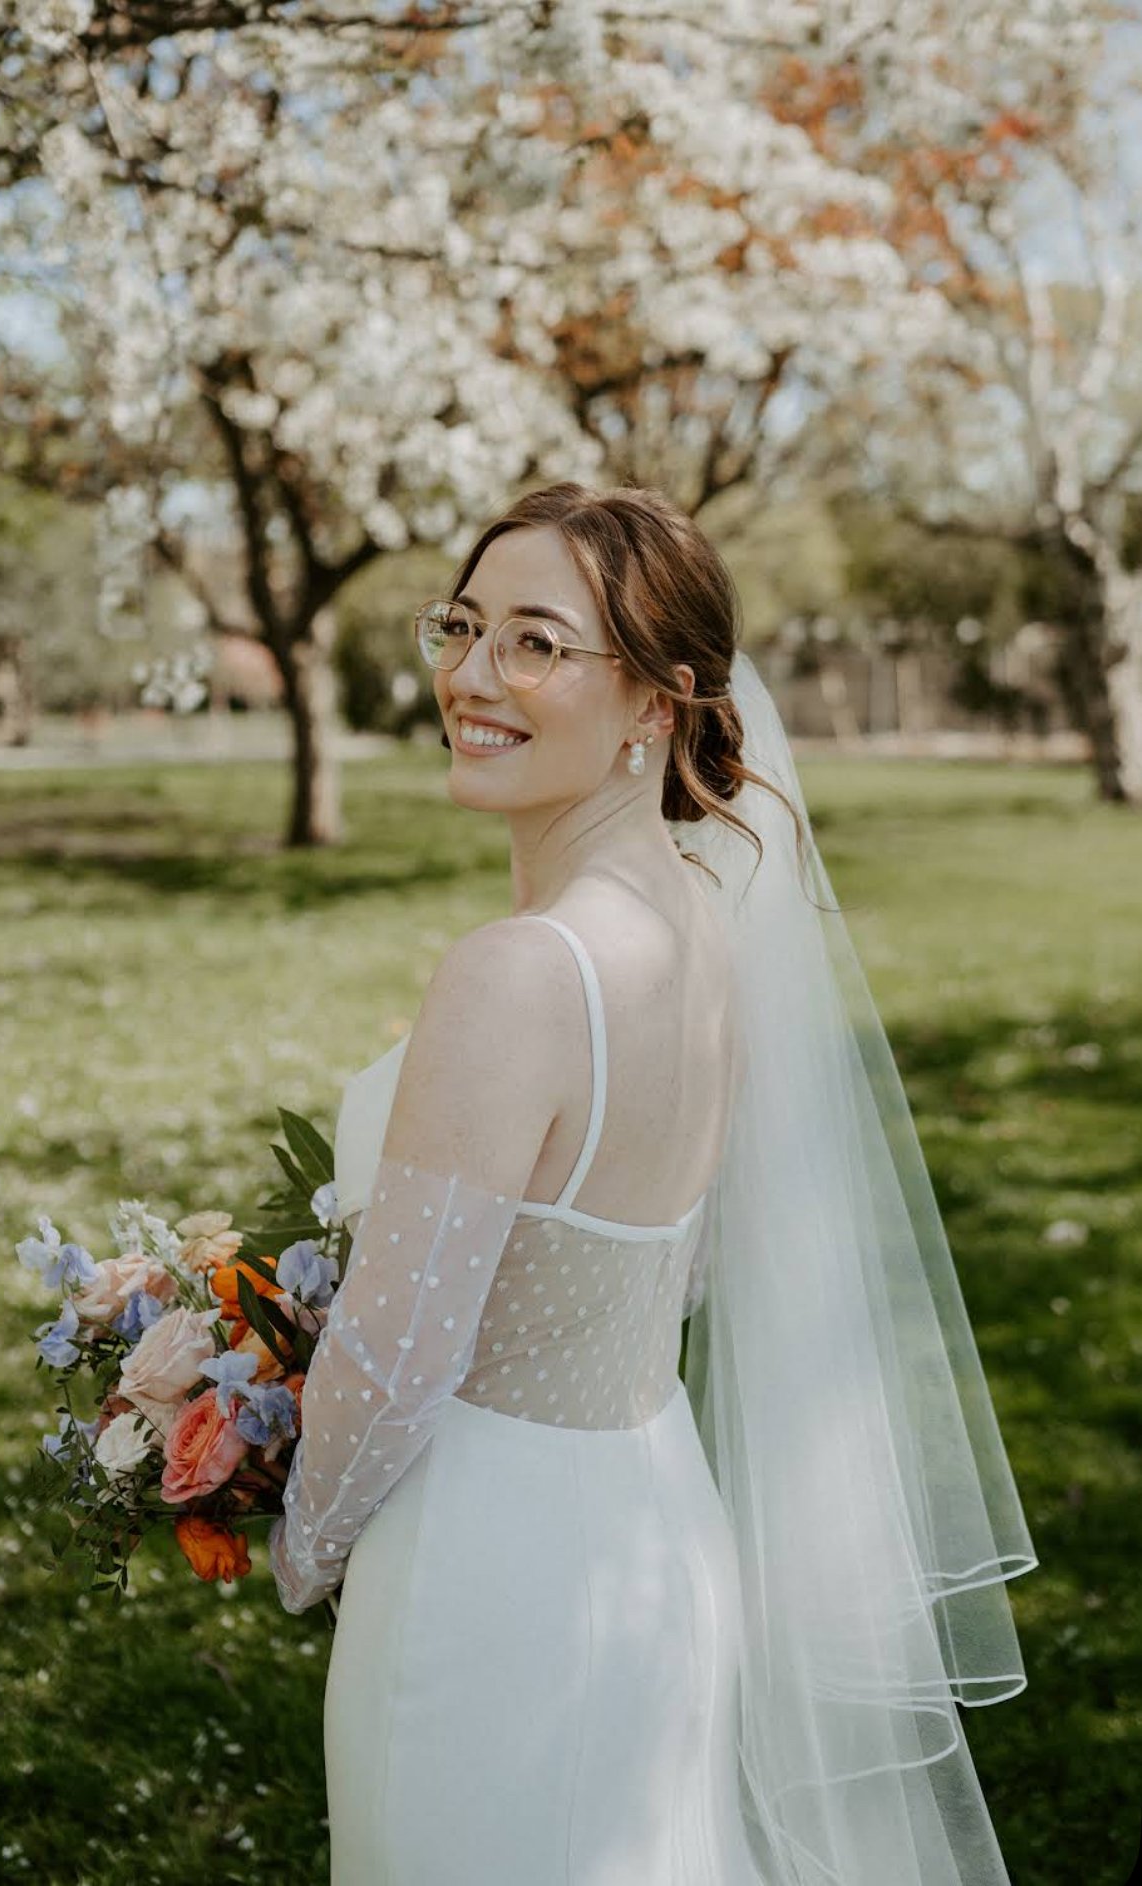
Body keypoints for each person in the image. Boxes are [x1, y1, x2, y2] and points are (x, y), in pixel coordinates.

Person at [268, 482, 1037, 1885]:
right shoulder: (702, 920)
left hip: (487, 1568)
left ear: (654, 703)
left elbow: (394, 1356)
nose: (469, 676)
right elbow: (665, 1266)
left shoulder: (515, 974)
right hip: (651, 1528)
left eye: (535, 643)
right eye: (463, 625)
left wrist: (293, 1534)